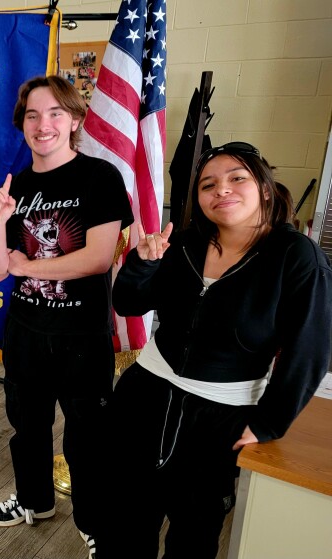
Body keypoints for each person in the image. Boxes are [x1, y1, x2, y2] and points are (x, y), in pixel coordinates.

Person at [103, 142, 332, 558]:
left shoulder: (296, 256)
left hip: (219, 417)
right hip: (143, 397)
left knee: (194, 533)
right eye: (208, 184)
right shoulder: (187, 243)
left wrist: (269, 424)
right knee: (124, 518)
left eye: (236, 178)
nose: (221, 190)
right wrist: (142, 263)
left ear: (264, 187)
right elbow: (128, 303)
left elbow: (309, 349)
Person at [0, 75, 133, 556]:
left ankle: (93, 522)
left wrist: (29, 264)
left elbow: (97, 258)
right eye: (32, 114)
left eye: (53, 114)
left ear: (74, 121)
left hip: (81, 335)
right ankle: (34, 501)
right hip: (25, 330)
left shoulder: (100, 178)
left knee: (86, 436)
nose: (42, 124)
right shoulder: (17, 186)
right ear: (21, 124)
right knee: (27, 427)